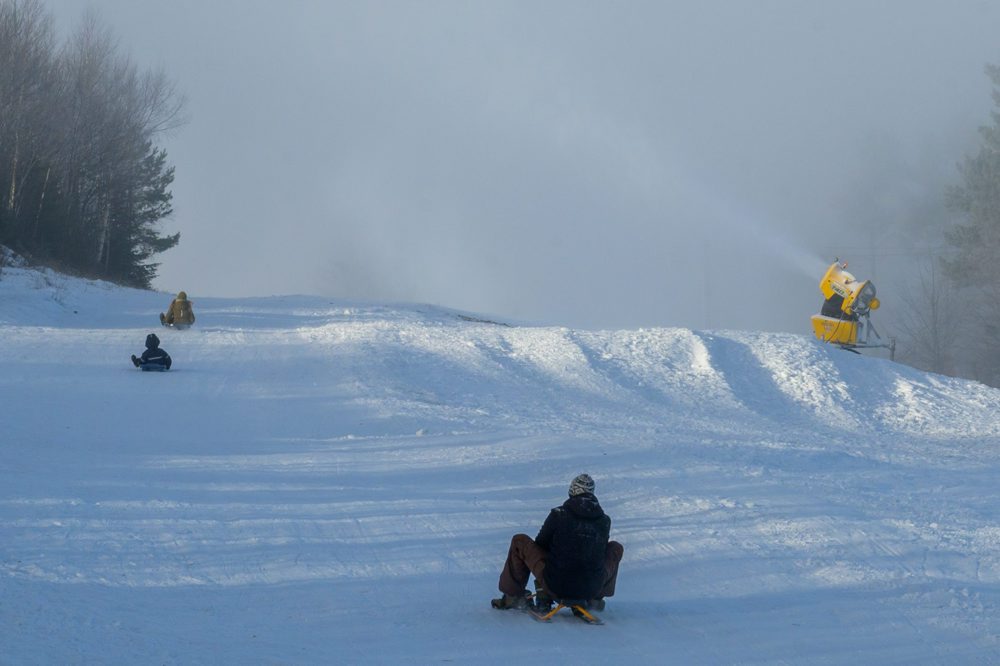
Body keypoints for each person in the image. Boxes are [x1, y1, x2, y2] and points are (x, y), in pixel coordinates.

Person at [492, 473, 624, 612]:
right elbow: (600, 553)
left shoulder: (559, 514)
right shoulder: (604, 521)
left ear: (572, 491)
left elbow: (541, 544)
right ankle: (595, 600)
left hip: (556, 584)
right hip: (590, 588)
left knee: (520, 541)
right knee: (615, 548)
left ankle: (513, 597)